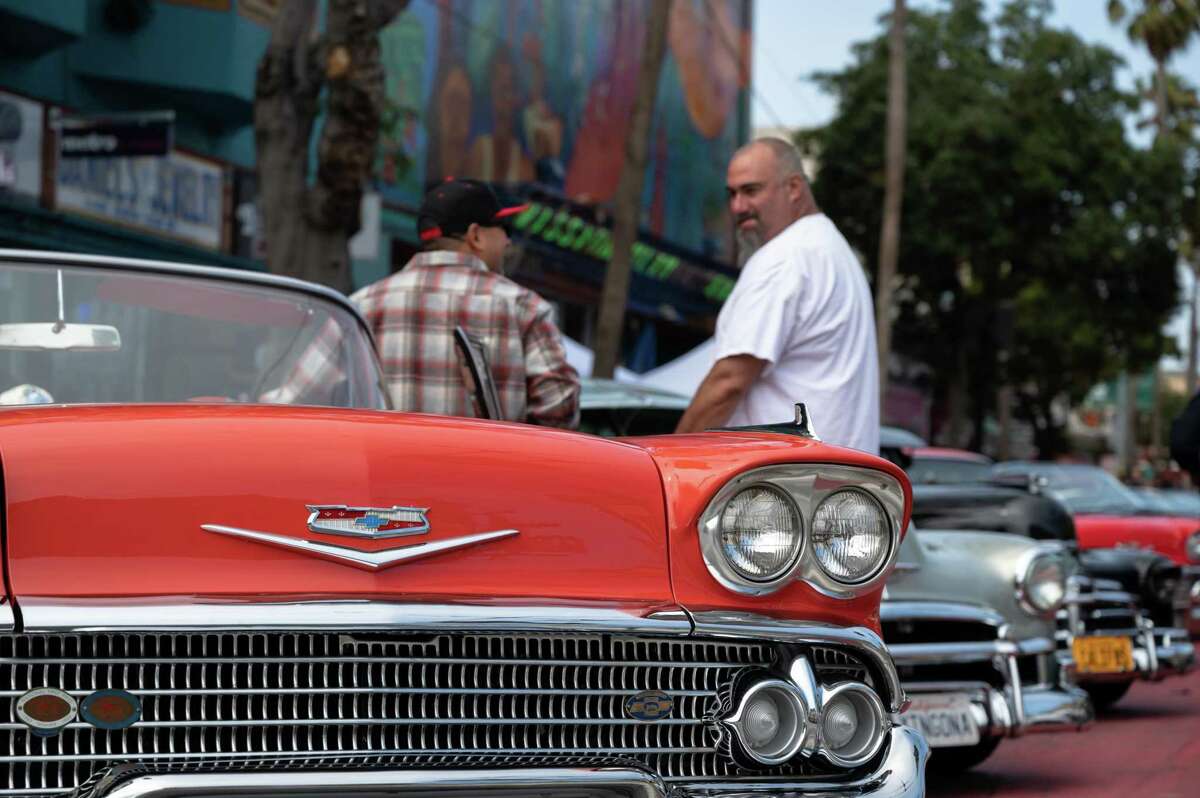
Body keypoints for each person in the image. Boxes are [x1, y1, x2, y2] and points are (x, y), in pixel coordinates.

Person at [675, 138, 879, 453]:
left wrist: (669, 458)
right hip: (836, 483)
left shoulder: (785, 258)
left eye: (751, 190)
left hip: (790, 484)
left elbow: (729, 382)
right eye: (732, 194)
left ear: (794, 187)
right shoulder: (831, 250)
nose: (737, 207)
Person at [352, 179, 580, 427]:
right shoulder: (523, 308)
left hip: (385, 464)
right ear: (476, 236)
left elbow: (313, 391)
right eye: (504, 229)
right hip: (490, 463)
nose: (508, 241)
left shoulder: (361, 308)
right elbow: (561, 408)